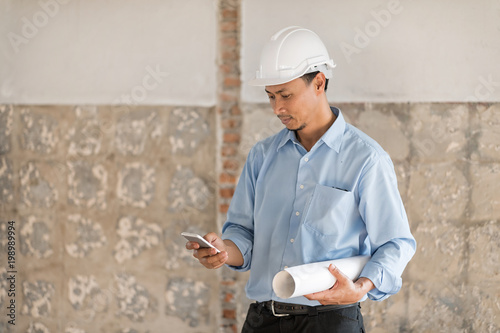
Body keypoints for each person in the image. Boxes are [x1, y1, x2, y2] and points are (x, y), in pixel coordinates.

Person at [186, 26, 416, 332]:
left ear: (318, 82)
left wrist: (360, 288)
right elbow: (244, 234)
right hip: (262, 320)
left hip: (330, 320)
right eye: (270, 96)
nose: (277, 108)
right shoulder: (262, 156)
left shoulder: (366, 160)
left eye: (286, 95)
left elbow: (396, 243)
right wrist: (223, 250)